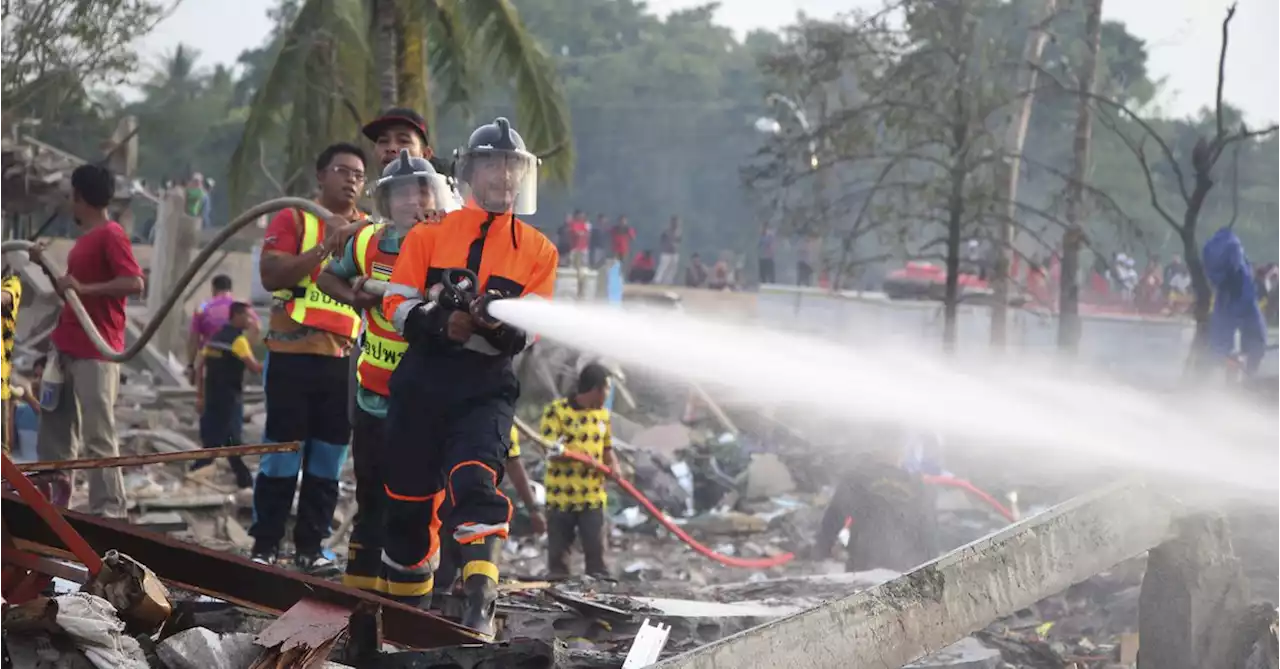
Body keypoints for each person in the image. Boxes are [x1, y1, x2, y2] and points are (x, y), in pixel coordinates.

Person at [381, 116, 557, 637]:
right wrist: (443, 322)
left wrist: (497, 328)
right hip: (422, 382)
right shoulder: (431, 233)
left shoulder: (539, 250)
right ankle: (408, 628)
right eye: (493, 166)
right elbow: (395, 303)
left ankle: (479, 607)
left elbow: (535, 327)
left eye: (511, 168)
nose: (504, 177)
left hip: (485, 385)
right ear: (470, 173)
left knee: (476, 482)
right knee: (409, 513)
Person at [315, 148, 454, 593]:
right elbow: (326, 277)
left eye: (422, 193)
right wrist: (355, 298)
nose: (415, 204)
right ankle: (361, 604)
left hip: (426, 402)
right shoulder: (368, 242)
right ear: (387, 203)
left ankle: (410, 603)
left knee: (416, 502)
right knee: (370, 495)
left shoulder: (449, 245)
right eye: (403, 196)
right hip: (373, 397)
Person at [252, 143, 368, 573]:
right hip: (292, 353)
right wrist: (325, 245)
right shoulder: (295, 218)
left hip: (341, 360)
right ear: (321, 176)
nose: (352, 179)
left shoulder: (370, 231)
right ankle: (266, 544)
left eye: (359, 173)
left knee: (328, 457)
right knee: (283, 452)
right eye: (342, 170)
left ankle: (311, 547)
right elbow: (272, 275)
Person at [31, 164, 145, 517]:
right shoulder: (85, 241)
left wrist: (84, 289)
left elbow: (134, 283)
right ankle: (53, 504)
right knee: (55, 432)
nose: (70, 203)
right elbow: (70, 295)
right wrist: (46, 266)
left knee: (98, 435)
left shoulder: (112, 235)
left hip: (96, 352)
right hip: (65, 348)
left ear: (80, 196)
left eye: (72, 196)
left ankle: (109, 510)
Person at [432, 424, 545, 611]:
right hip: (444, 510)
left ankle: (471, 614)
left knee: (469, 586)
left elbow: (514, 463)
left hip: (470, 512)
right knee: (441, 582)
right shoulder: (494, 414)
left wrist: (533, 508)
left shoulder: (500, 417)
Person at [810, 427, 938, 573]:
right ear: (903, 449)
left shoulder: (856, 480)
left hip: (864, 569)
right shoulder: (919, 486)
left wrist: (821, 553)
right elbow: (929, 536)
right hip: (905, 572)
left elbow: (832, 521)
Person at [539, 363, 619, 579]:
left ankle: (599, 592)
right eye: (608, 388)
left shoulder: (603, 415)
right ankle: (557, 593)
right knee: (558, 559)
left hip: (592, 496)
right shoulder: (556, 412)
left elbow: (607, 447)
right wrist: (579, 457)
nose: (608, 394)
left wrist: (614, 465)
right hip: (560, 497)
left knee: (596, 553)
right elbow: (548, 449)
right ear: (596, 389)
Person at [192, 302, 262, 493]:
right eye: (248, 316)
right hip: (230, 399)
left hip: (212, 397)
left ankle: (198, 473)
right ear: (237, 316)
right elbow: (255, 368)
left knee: (212, 442)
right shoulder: (238, 341)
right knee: (232, 443)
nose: (250, 320)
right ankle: (246, 482)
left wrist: (200, 395)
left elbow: (200, 366)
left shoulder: (215, 337)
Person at [187, 275, 259, 383]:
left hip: (209, 361)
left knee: (208, 393)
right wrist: (246, 350)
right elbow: (256, 327)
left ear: (213, 289)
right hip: (234, 361)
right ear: (230, 289)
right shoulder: (240, 307)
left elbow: (194, 338)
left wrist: (191, 365)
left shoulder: (202, 307)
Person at [655, 216, 681, 284]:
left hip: (675, 252)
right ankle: (658, 280)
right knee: (663, 267)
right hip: (666, 252)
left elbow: (679, 241)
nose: (676, 223)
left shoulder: (678, 231)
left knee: (673, 268)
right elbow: (661, 239)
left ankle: (668, 281)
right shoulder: (666, 231)